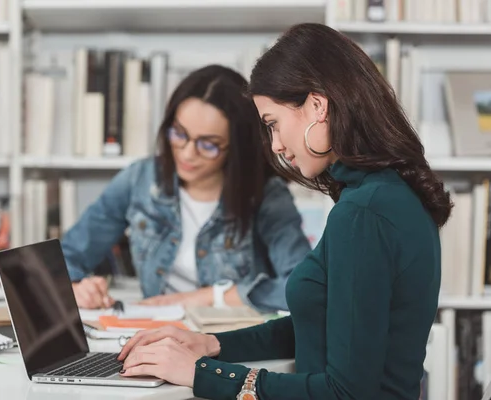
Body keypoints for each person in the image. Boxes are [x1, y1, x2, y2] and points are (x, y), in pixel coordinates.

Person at [116, 23, 453, 400]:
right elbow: (324, 325)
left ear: (317, 106)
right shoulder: (388, 194)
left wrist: (202, 374)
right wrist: (209, 345)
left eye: (273, 124)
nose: (276, 145)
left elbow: (344, 393)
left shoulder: (362, 213)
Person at [62, 64, 311, 313]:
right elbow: (65, 258)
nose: (188, 153)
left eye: (209, 145)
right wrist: (77, 289)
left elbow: (304, 287)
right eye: (179, 134)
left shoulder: (266, 195)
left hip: (229, 340)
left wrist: (213, 296)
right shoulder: (140, 179)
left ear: (236, 148)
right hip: (153, 334)